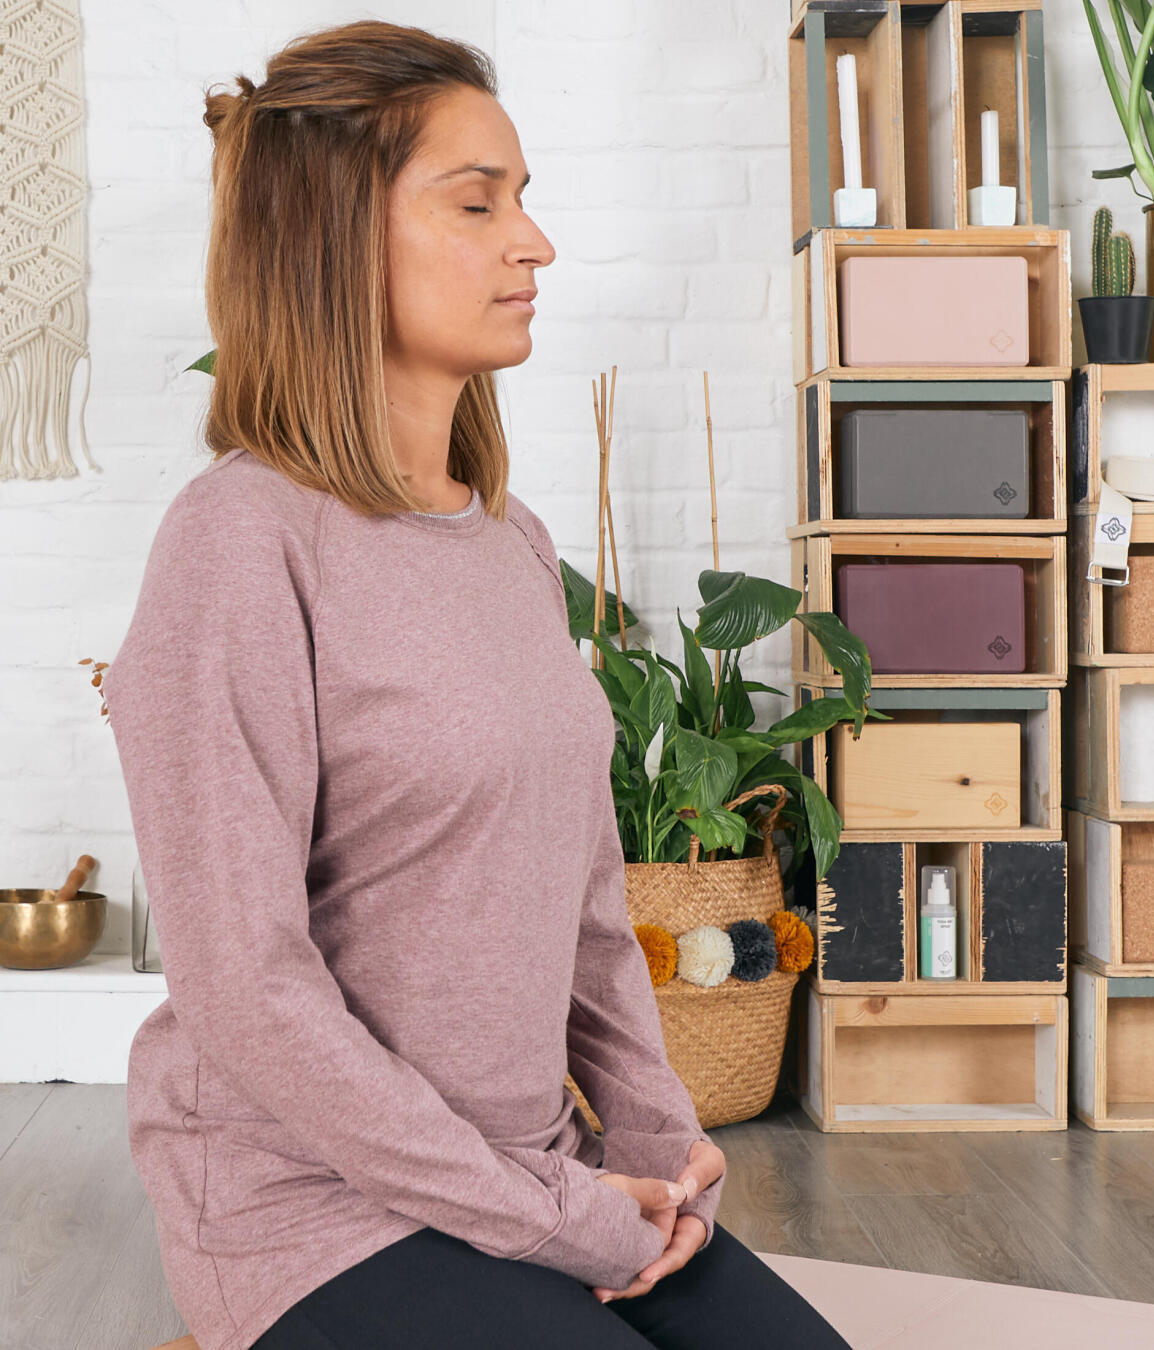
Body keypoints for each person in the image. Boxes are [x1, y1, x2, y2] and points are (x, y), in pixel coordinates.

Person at [104, 20, 851, 1350]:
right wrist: (542, 1214)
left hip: (535, 1170)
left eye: (524, 197)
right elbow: (245, 989)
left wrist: (660, 1137)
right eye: (477, 201)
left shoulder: (510, 542)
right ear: (338, 237)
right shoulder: (240, 540)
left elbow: (584, 907)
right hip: (314, 1204)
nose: (534, 243)